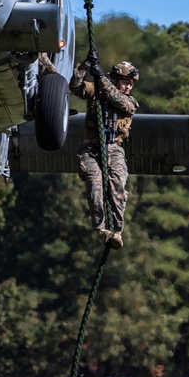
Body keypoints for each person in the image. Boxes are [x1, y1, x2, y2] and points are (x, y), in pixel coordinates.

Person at [69, 47, 139, 250]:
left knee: (117, 184)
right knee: (95, 183)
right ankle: (101, 229)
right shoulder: (96, 89)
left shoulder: (130, 102)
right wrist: (85, 66)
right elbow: (76, 87)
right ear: (117, 79)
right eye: (125, 82)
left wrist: (100, 76)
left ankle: (117, 230)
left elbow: (117, 100)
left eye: (130, 84)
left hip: (114, 149)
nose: (127, 87)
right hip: (91, 148)